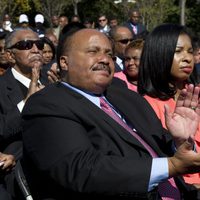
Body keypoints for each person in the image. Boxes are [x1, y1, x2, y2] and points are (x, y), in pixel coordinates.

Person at [21, 28, 200, 199]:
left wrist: (181, 141)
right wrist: (170, 166)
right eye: (93, 51)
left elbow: (163, 146)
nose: (105, 59)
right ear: (64, 62)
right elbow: (81, 169)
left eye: (109, 54)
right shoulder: (47, 104)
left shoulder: (127, 97)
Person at [137, 23, 200, 186]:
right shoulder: (145, 105)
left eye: (190, 52)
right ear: (158, 54)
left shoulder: (196, 94)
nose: (187, 58)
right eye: (178, 51)